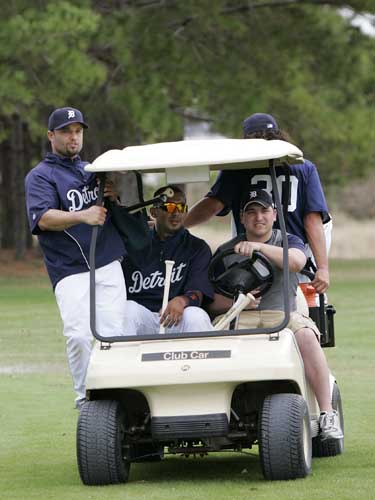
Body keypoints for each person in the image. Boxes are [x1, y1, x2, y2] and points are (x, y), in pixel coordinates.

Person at [208, 189, 343, 440]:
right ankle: (210, 412)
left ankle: (327, 414)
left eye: (263, 211)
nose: (258, 217)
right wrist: (235, 302)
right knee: (208, 339)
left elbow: (296, 263)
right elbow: (211, 300)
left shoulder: (289, 240)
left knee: (306, 335)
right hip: (240, 317)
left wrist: (258, 247)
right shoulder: (228, 250)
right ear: (242, 217)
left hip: (282, 315)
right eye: (251, 212)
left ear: (273, 214)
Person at [25, 107, 128, 409]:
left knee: (114, 335)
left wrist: (111, 195)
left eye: (78, 131)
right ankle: (86, 400)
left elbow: (109, 211)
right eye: (66, 131)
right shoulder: (40, 176)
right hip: (69, 269)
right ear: (51, 135)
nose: (73, 136)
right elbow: (43, 219)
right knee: (79, 336)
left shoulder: (92, 170)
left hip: (107, 261)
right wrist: (84, 215)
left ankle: (119, 398)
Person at [184, 113, 331, 295]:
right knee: (297, 307)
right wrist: (322, 267)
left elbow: (213, 205)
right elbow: (312, 220)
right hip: (291, 252)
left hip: (254, 255)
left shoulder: (237, 168)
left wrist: (179, 224)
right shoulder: (303, 166)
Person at [112, 185, 214, 334]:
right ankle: (125, 357)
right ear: (154, 212)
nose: (176, 213)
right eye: (170, 207)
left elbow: (197, 292)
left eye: (181, 207)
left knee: (196, 315)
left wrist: (181, 300)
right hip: (142, 319)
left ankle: (197, 357)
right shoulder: (134, 244)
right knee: (127, 309)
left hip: (176, 319)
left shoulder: (197, 247)